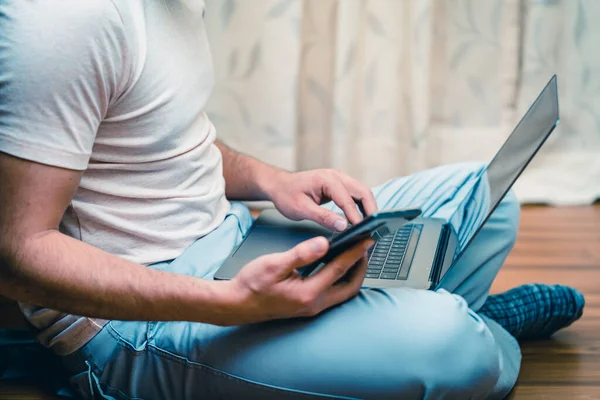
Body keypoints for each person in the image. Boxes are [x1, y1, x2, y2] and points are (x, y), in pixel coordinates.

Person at [0, 1, 584, 399]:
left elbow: (166, 140)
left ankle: (399, 328)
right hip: (140, 326)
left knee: (486, 197)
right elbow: (18, 254)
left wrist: (275, 181)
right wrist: (230, 304)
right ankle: (476, 330)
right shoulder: (64, 21)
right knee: (452, 346)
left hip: (235, 243)